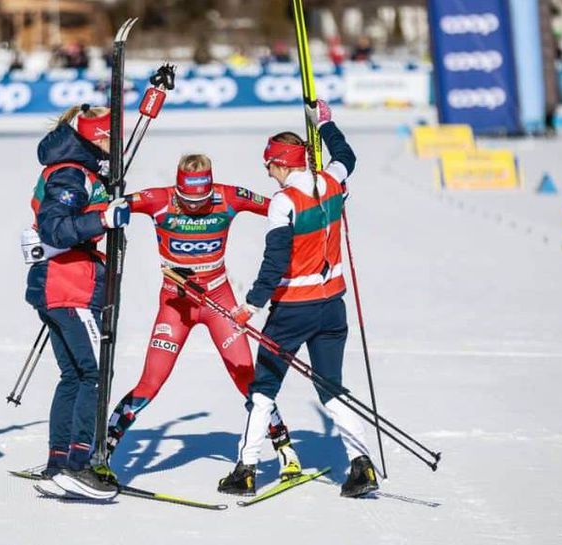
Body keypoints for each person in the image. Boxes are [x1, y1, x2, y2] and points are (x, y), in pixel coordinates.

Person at [103, 154, 301, 482]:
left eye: (201, 201)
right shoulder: (159, 199)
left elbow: (284, 207)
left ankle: (286, 450)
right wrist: (111, 205)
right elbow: (114, 205)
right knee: (150, 382)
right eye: (187, 200)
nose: (194, 207)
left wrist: (318, 199)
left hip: (218, 302)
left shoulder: (229, 196)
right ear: (177, 188)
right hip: (175, 305)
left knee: (248, 380)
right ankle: (103, 453)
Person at [217, 99, 379, 498]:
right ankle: (362, 465)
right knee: (332, 389)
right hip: (332, 307)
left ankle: (246, 470)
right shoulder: (332, 180)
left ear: (283, 164)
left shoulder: (284, 202)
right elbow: (346, 156)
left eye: (269, 165)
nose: (268, 172)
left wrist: (250, 306)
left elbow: (274, 262)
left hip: (292, 310)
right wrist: (325, 124)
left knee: (263, 389)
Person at [26, 104, 130, 499]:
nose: (119, 143)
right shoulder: (71, 173)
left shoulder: (82, 170)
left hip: (66, 285)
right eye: (115, 137)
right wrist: (102, 220)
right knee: (95, 374)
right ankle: (79, 464)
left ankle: (60, 462)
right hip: (68, 286)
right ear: (100, 138)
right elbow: (53, 228)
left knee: (74, 375)